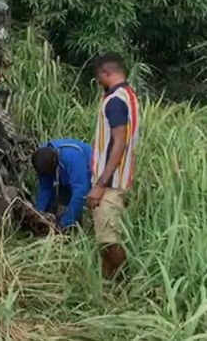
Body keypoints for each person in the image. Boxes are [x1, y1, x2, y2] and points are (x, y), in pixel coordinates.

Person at [87, 52, 140, 279]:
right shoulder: (128, 96)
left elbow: (118, 144)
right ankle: (107, 284)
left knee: (109, 240)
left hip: (110, 183)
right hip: (118, 179)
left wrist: (100, 184)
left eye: (99, 76)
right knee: (105, 237)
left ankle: (124, 283)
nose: (99, 81)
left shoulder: (115, 100)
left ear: (106, 72)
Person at [32, 139, 92, 230]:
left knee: (76, 206)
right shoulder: (41, 158)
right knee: (51, 207)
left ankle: (75, 224)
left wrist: (63, 224)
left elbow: (81, 192)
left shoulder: (72, 157)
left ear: (55, 163)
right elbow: (45, 188)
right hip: (65, 180)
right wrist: (37, 212)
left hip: (88, 176)